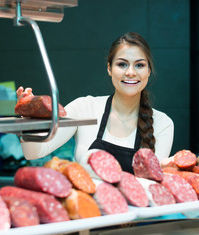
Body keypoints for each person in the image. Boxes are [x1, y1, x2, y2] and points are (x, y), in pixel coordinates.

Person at [19, 32, 174, 174]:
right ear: (109, 68)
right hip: (89, 204)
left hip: (137, 205)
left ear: (148, 71)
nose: (131, 72)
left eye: (139, 65)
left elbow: (153, 179)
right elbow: (34, 152)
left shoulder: (163, 124)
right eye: (122, 64)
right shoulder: (84, 108)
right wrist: (29, 117)